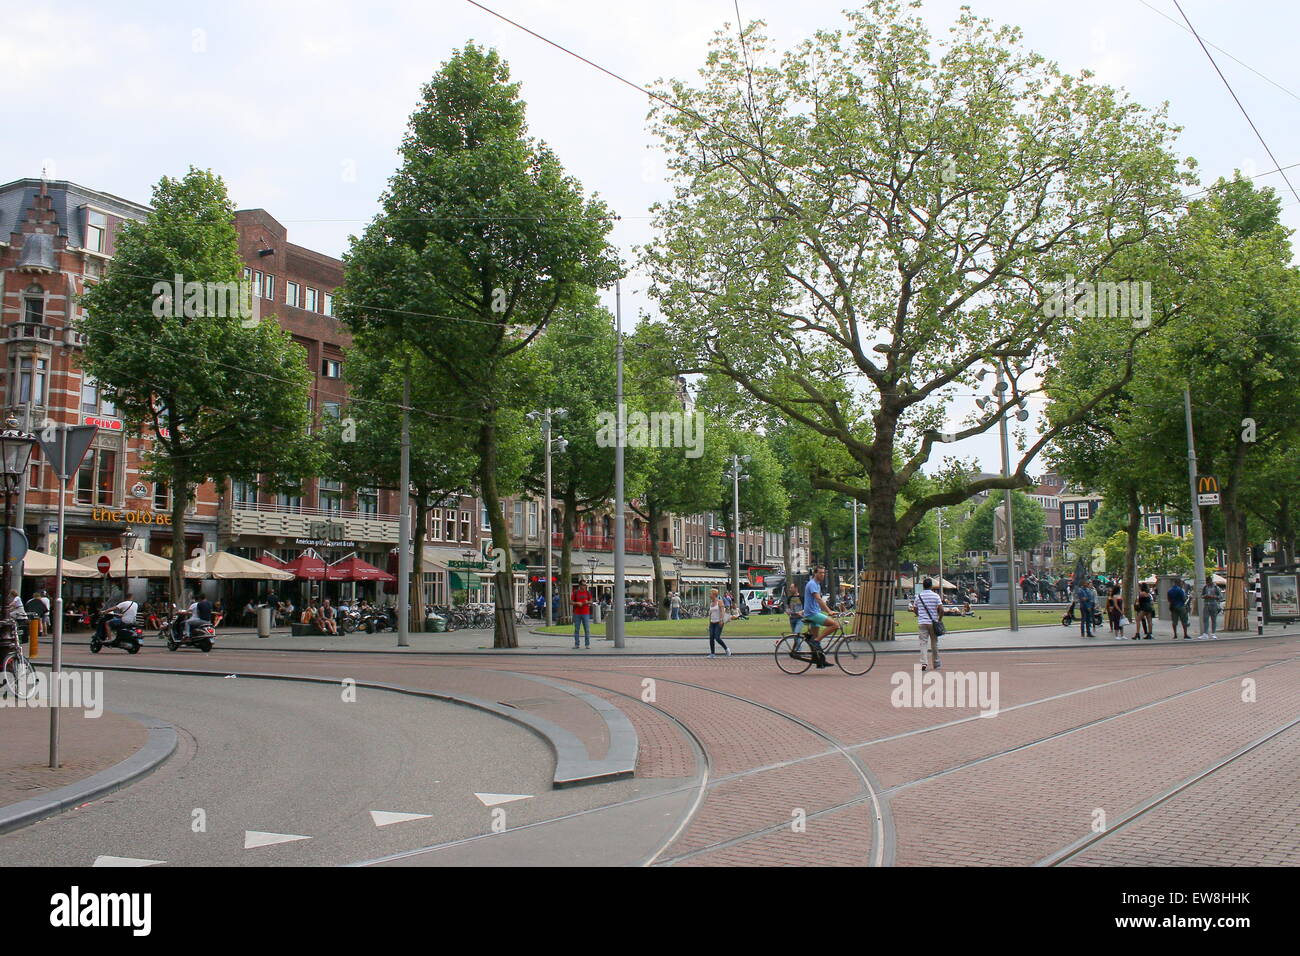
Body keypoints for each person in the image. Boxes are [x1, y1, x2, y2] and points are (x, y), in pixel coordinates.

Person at [799, 567, 836, 668]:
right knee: (835, 625)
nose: (822, 575)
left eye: (824, 573)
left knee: (815, 639)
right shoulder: (812, 584)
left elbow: (816, 603)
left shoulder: (817, 585)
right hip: (812, 614)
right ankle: (816, 641)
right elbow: (819, 600)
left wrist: (829, 610)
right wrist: (829, 611)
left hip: (814, 612)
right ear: (815, 574)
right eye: (820, 573)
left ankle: (820, 662)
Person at [912, 577, 944, 671]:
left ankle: (924, 663)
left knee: (923, 643)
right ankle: (936, 663)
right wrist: (939, 619)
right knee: (934, 643)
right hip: (933, 622)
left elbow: (915, 608)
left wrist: (919, 615)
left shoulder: (919, 596)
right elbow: (941, 609)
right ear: (931, 586)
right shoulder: (936, 596)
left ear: (923, 586)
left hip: (922, 622)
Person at [706, 588, 731, 658]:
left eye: (710, 594)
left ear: (714, 595)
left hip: (719, 622)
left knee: (717, 637)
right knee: (711, 638)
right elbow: (710, 614)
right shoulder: (711, 603)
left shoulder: (719, 602)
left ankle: (726, 649)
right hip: (712, 622)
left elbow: (722, 611)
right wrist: (709, 623)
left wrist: (721, 620)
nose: (709, 595)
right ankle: (712, 653)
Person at [572, 578, 593, 649]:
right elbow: (571, 602)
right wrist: (577, 603)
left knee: (587, 629)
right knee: (576, 629)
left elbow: (591, 601)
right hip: (577, 613)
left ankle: (587, 644)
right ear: (580, 585)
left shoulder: (587, 593)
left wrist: (587, 602)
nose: (585, 586)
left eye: (585, 585)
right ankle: (576, 644)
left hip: (585, 613)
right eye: (583, 585)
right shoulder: (575, 592)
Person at [1199, 575, 1222, 640]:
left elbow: (1220, 596)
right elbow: (1202, 595)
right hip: (1206, 604)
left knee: (1213, 619)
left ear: (1211, 581)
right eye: (1207, 582)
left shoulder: (1216, 587)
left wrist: (1213, 596)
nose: (1207, 583)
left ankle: (1213, 633)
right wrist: (1204, 596)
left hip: (1213, 604)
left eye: (1208, 581)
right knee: (1205, 619)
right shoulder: (1205, 587)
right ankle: (1205, 633)